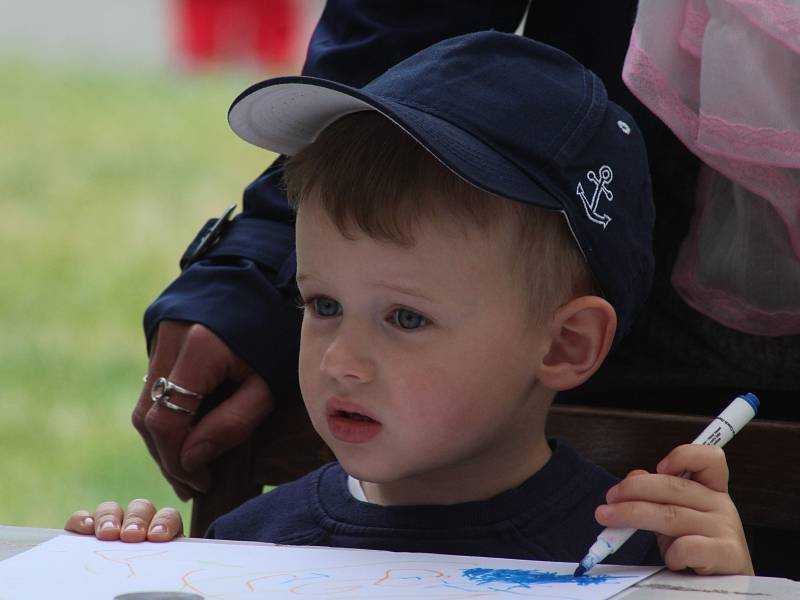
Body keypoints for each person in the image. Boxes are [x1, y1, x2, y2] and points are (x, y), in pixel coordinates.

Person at [67, 32, 753, 576]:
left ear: (563, 345)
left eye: (405, 318)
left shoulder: (639, 555)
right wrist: (122, 569)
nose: (342, 362)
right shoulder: (250, 547)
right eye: (323, 304)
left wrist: (733, 586)